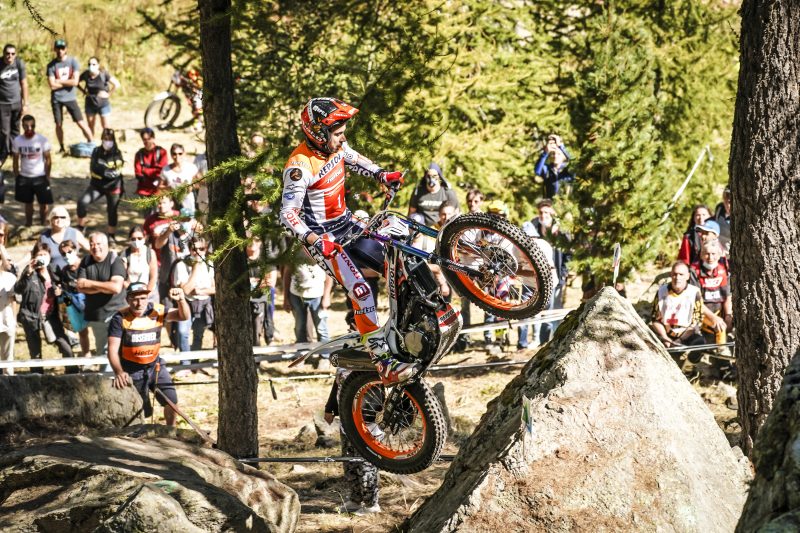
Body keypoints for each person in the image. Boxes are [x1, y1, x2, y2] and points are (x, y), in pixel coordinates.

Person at [279, 97, 413, 384]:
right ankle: (383, 361)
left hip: (347, 223)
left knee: (397, 264)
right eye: (338, 133)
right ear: (318, 133)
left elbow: (353, 158)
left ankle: (408, 331)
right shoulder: (299, 166)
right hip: (325, 240)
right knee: (361, 291)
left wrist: (382, 174)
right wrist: (314, 240)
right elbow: (287, 213)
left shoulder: (336, 146)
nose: (343, 138)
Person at [108, 282, 190, 426]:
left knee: (172, 402)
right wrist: (119, 372)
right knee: (139, 410)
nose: (139, 303)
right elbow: (112, 350)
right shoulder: (119, 318)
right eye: (134, 299)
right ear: (127, 299)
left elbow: (183, 316)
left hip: (156, 367)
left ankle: (170, 431)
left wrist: (181, 300)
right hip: (132, 371)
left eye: (143, 298)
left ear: (148, 298)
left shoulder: (157, 311)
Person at [324, 369, 381, 515]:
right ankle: (355, 499)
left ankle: (371, 504)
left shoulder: (371, 362)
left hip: (366, 423)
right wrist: (329, 408)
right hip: (346, 421)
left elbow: (377, 392)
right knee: (349, 463)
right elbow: (337, 386)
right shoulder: (344, 362)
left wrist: (370, 417)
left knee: (366, 464)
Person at [15, 243, 76, 373]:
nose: (42, 257)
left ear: (49, 256)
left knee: (63, 342)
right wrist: (28, 273)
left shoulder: (54, 269)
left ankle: (73, 372)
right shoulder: (30, 271)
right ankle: (37, 376)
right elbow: (18, 289)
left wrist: (60, 292)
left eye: (45, 254)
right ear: (34, 257)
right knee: (35, 349)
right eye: (39, 255)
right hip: (30, 315)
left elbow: (65, 287)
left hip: (51, 314)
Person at [522, 199, 571, 343]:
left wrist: (563, 273)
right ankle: (532, 340)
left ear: (553, 213)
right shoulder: (533, 226)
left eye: (546, 212)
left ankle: (547, 341)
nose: (543, 215)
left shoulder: (561, 230)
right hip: (533, 276)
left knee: (550, 310)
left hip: (554, 275)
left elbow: (568, 253)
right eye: (541, 212)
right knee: (532, 308)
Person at [77, 232, 126, 356]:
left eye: (99, 244)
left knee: (122, 349)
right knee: (102, 351)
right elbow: (80, 286)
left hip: (117, 312)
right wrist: (105, 287)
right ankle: (105, 370)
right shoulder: (86, 261)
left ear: (107, 245)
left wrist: (90, 284)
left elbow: (116, 288)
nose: (95, 247)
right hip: (97, 315)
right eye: (92, 244)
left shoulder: (115, 261)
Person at [76, 128, 124, 240]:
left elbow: (116, 171)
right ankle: (81, 227)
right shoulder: (96, 151)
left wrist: (103, 170)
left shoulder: (117, 153)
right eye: (105, 139)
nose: (107, 141)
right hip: (97, 186)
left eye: (110, 139)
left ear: (113, 140)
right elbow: (94, 168)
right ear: (102, 139)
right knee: (82, 202)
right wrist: (104, 171)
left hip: (113, 187)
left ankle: (111, 236)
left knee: (112, 210)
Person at [46, 39, 93, 152]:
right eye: (58, 48)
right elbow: (52, 85)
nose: (60, 51)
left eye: (62, 48)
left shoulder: (73, 62)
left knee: (80, 121)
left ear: (66, 49)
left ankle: (92, 144)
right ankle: (62, 147)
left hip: (70, 98)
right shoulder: (51, 65)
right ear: (55, 49)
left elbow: (75, 82)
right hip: (56, 98)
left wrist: (59, 81)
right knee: (58, 124)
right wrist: (68, 81)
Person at [650, 261, 705, 350]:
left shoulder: (695, 292)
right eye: (675, 274)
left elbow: (698, 320)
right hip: (665, 333)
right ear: (670, 275)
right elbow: (655, 319)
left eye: (681, 274)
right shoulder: (661, 291)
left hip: (686, 334)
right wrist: (665, 338)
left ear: (687, 276)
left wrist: (680, 340)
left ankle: (688, 360)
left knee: (700, 343)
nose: (677, 278)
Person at [690, 239, 733, 350]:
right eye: (707, 254)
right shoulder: (694, 271)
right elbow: (696, 301)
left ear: (719, 255)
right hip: (702, 311)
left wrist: (728, 315)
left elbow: (727, 296)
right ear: (701, 255)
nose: (710, 258)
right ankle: (721, 353)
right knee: (720, 327)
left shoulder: (724, 269)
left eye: (713, 254)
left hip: (720, 309)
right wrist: (713, 318)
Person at [12, 115, 53, 226]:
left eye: (32, 126)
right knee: (28, 202)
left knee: (43, 202)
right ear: (22, 126)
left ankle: (43, 223)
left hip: (40, 176)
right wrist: (17, 175)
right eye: (26, 126)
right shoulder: (17, 141)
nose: (29, 129)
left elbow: (48, 159)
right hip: (24, 176)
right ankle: (29, 224)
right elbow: (15, 160)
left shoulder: (42, 140)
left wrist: (47, 175)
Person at [53, 239, 90, 357]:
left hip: (90, 301)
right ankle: (86, 355)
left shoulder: (86, 265)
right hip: (75, 305)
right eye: (63, 254)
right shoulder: (65, 271)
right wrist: (68, 309)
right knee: (82, 332)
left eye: (69, 251)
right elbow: (66, 292)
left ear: (75, 250)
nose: (67, 255)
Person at [283, 255, 331, 344]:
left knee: (321, 328)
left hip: (318, 296)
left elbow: (329, 275)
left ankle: (325, 351)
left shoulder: (321, 253)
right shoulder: (293, 253)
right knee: (300, 327)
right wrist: (285, 298)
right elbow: (287, 274)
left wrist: (326, 296)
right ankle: (302, 350)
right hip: (296, 295)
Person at [180, 236, 215, 351]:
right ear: (190, 249)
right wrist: (196, 266)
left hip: (204, 303)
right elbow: (186, 290)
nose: (198, 252)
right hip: (187, 303)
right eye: (194, 249)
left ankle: (195, 360)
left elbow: (215, 288)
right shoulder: (182, 264)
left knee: (198, 335)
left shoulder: (209, 264)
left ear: (206, 249)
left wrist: (200, 291)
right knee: (183, 333)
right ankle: (185, 360)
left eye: (202, 249)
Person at [0, 43, 29, 180]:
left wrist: (25, 103)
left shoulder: (19, 63)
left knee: (16, 132)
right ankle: (3, 155)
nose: (10, 56)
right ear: (3, 54)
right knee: (4, 132)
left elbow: (24, 84)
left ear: (15, 54)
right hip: (2, 105)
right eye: (7, 53)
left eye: (12, 54)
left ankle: (15, 158)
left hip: (16, 104)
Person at [39, 205, 90, 270]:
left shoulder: (75, 233)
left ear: (67, 219)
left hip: (73, 272)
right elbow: (35, 254)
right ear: (51, 220)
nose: (59, 219)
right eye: (56, 217)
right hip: (53, 274)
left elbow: (91, 249)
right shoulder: (44, 237)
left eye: (62, 217)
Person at [78, 56, 120, 136]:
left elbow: (116, 84)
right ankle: (91, 142)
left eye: (94, 64)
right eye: (89, 64)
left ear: (98, 65)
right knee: (90, 126)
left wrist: (108, 94)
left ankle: (107, 142)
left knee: (106, 127)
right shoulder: (86, 74)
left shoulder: (103, 74)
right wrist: (83, 91)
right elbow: (76, 82)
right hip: (90, 103)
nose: (91, 66)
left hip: (103, 104)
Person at [160, 143, 199, 216]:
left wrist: (191, 187)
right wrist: (169, 188)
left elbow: (199, 183)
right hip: (173, 203)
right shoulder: (166, 170)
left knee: (189, 220)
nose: (177, 156)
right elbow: (160, 186)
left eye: (180, 153)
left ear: (184, 153)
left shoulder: (191, 167)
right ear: (171, 154)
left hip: (189, 201)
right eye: (174, 154)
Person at [121, 226, 158, 301]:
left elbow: (153, 276)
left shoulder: (150, 253)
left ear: (145, 238)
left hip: (150, 294)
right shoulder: (125, 254)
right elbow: (121, 277)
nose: (136, 241)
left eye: (139, 238)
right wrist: (132, 291)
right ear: (129, 240)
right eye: (133, 239)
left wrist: (146, 294)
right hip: (132, 295)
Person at [535, 134, 573, 198]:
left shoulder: (567, 170)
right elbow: (537, 171)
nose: (555, 156)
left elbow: (574, 161)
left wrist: (561, 146)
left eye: (558, 154)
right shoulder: (547, 169)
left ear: (564, 156)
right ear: (549, 156)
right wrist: (545, 152)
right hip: (549, 202)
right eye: (553, 153)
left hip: (566, 202)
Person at [134, 128, 167, 199]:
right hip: (143, 190)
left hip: (158, 190)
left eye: (149, 139)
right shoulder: (139, 154)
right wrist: (153, 171)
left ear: (153, 138)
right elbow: (138, 174)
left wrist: (144, 170)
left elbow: (161, 172)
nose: (147, 141)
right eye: (144, 139)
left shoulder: (162, 152)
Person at [0, 235, 16, 374]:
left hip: (7, 318)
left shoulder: (11, 278)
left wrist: (14, 319)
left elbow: (13, 300)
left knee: (8, 355)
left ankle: (10, 380)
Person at [714, 187, 732, 257]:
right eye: (725, 201)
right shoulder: (719, 209)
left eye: (730, 202)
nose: (728, 205)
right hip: (720, 253)